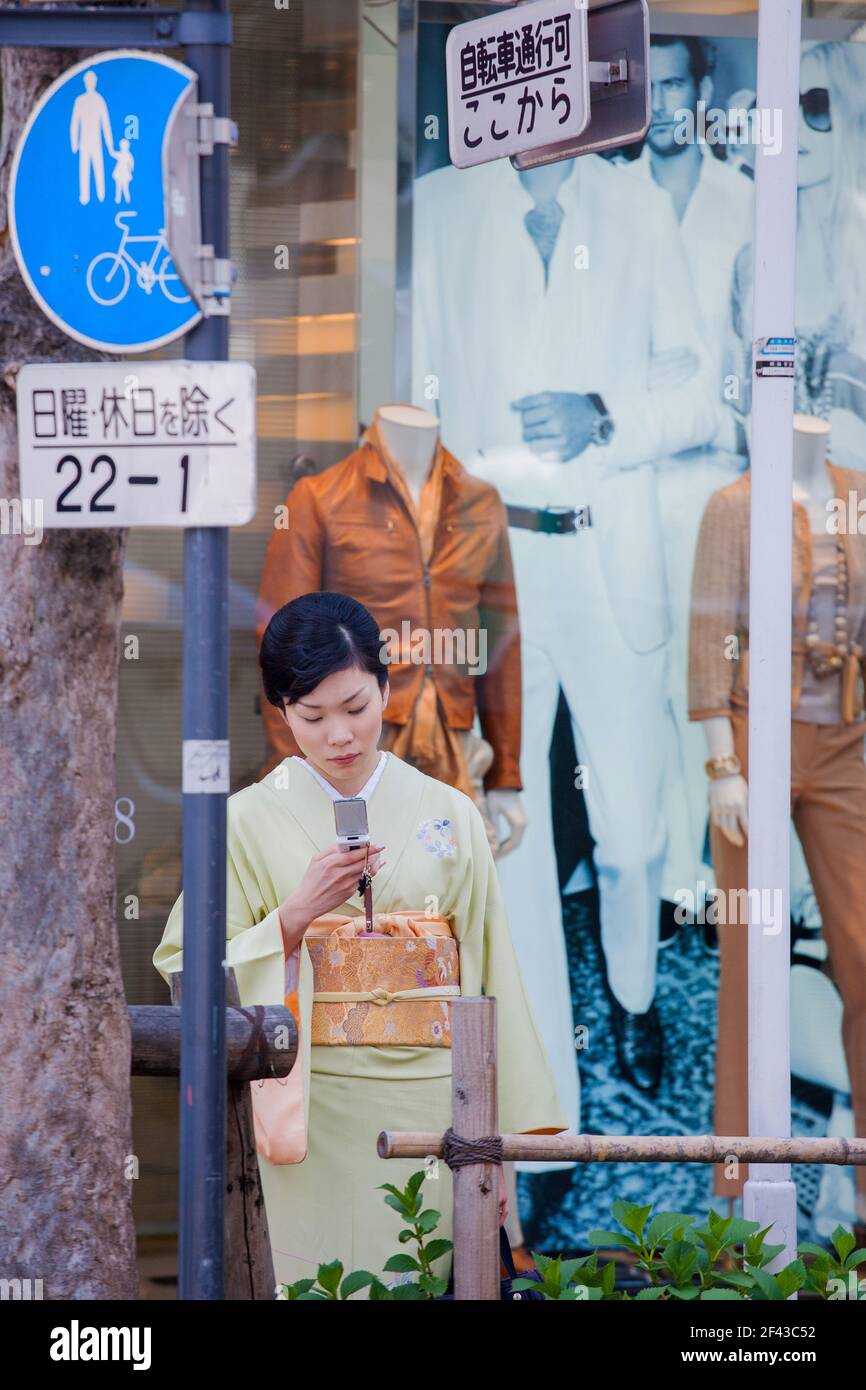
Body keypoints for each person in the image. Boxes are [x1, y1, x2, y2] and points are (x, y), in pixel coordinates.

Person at [412, 141, 721, 1114]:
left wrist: (600, 410)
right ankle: (539, 1078)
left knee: (629, 834)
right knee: (512, 830)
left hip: (603, 559)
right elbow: (415, 389)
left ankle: (631, 994)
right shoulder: (440, 208)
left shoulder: (632, 210)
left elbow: (696, 394)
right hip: (492, 567)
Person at [153, 591, 566, 1287]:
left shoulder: (452, 814)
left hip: (437, 1103)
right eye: (312, 717)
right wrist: (294, 916)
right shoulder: (246, 822)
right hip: (309, 1107)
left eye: (356, 707)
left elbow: (492, 977)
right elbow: (186, 969)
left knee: (428, 1272)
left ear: (385, 686)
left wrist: (499, 1149)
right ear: (282, 711)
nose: (339, 735)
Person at [622, 35, 753, 902]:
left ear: (701, 87)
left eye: (676, 83)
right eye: (649, 86)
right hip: (631, 475)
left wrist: (718, 395)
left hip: (719, 472)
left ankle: (692, 872)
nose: (664, 102)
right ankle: (650, 863)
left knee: (708, 675)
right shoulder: (611, 201)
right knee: (640, 673)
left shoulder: (745, 201)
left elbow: (755, 346)